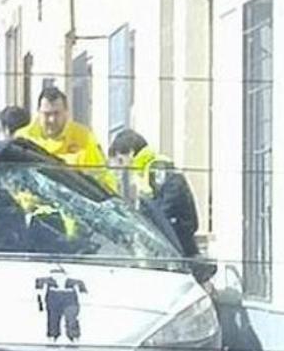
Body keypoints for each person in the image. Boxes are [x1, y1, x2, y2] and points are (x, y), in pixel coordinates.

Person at [109, 129, 200, 258]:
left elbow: (165, 207)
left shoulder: (156, 167)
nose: (123, 167)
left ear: (131, 152)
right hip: (174, 238)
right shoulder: (148, 168)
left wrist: (153, 230)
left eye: (121, 160)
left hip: (176, 240)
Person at [14, 87, 117, 192]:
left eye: (56, 113)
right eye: (47, 114)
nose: (52, 120)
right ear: (38, 112)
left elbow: (102, 176)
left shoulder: (84, 137)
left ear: (66, 112)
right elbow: (14, 179)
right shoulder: (23, 138)